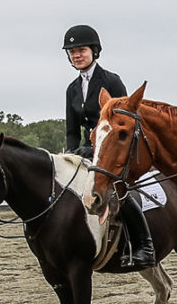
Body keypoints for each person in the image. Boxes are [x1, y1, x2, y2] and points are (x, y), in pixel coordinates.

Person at [61, 24, 155, 269]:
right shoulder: (72, 89)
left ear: (94, 51)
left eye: (81, 49)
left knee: (120, 189)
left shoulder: (111, 81)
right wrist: (72, 154)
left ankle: (143, 244)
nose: (76, 55)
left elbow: (124, 122)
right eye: (71, 52)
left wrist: (96, 152)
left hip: (112, 152)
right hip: (85, 152)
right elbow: (72, 130)